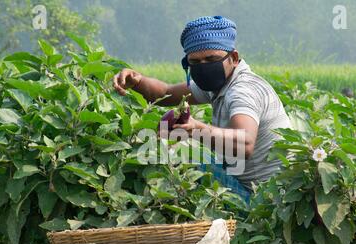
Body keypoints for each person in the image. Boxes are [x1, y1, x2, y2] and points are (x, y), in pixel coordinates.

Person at [113, 16, 291, 202]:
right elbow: (165, 92)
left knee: (179, 161)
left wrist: (195, 129)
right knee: (185, 154)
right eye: (195, 62)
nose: (204, 67)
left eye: (211, 59)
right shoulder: (220, 83)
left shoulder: (242, 90)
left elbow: (244, 145)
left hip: (267, 201)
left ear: (234, 58)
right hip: (245, 181)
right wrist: (137, 81)